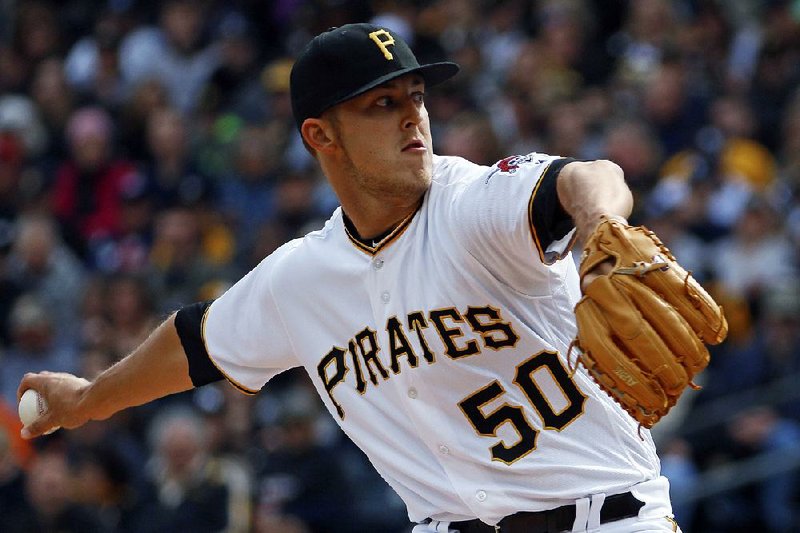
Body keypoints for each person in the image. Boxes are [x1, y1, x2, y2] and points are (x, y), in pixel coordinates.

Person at [20, 23, 684, 532]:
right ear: (320, 135)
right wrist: (88, 400)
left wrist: (598, 224)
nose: (412, 116)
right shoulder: (301, 278)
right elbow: (195, 343)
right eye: (381, 102)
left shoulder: (474, 203)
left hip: (610, 516)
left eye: (416, 96)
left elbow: (586, 178)